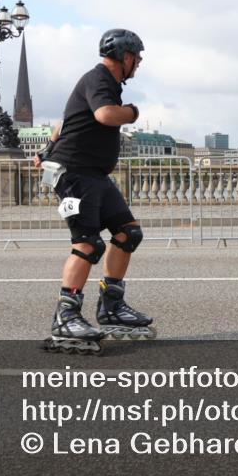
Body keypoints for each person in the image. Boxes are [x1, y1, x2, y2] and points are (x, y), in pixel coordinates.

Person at [35, 28, 154, 353]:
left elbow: (65, 122)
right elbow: (104, 115)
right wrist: (133, 112)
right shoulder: (100, 78)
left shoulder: (105, 83)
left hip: (95, 175)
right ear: (125, 57)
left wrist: (46, 148)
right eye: (137, 57)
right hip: (74, 174)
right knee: (87, 243)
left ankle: (111, 305)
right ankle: (66, 316)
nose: (139, 63)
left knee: (128, 233)